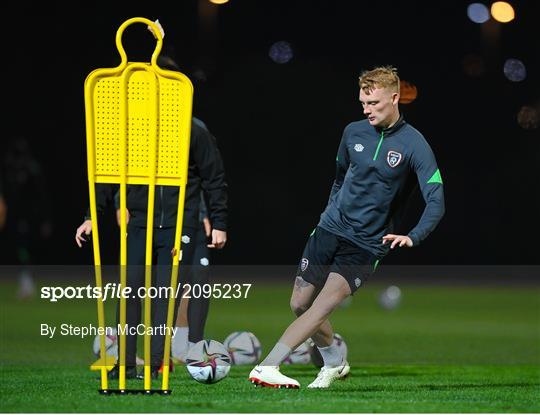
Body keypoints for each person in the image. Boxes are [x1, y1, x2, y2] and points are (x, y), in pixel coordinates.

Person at [248, 66, 445, 389]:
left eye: (374, 104)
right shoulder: (352, 132)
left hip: (366, 243)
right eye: (363, 103)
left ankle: (268, 365)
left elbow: (436, 200)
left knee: (323, 304)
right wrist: (329, 213)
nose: (367, 110)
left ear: (395, 98)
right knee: (300, 305)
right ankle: (335, 361)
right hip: (329, 229)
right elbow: (340, 179)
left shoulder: (415, 144)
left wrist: (414, 235)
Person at [76, 86, 228, 379]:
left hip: (180, 223)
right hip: (139, 224)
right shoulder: (131, 129)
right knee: (129, 290)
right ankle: (126, 362)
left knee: (165, 295)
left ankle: (158, 362)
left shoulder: (192, 130)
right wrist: (91, 216)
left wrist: (218, 221)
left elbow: (214, 176)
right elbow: (108, 175)